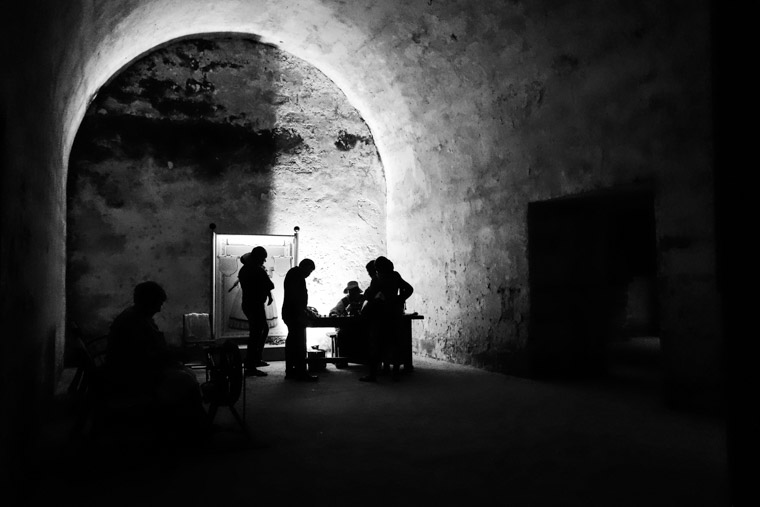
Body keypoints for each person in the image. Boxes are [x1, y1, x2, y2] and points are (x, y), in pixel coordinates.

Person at [105, 281, 208, 436]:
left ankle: (192, 423)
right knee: (186, 381)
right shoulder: (135, 322)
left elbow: (152, 350)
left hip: (130, 369)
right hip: (132, 376)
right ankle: (192, 427)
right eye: (158, 303)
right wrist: (179, 355)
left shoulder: (136, 317)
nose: (159, 309)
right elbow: (147, 355)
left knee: (187, 375)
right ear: (148, 302)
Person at [360, 256, 414, 382]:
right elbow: (409, 289)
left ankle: (372, 375)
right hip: (395, 314)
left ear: (378, 268)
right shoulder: (395, 276)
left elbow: (369, 294)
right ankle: (395, 374)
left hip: (380, 316)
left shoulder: (378, 279)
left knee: (376, 344)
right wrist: (399, 299)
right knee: (394, 343)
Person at [238, 246, 274, 377]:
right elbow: (270, 285)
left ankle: (255, 359)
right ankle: (250, 365)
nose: (264, 262)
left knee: (261, 330)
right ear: (258, 258)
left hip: (249, 304)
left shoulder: (245, 269)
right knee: (256, 334)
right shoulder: (257, 270)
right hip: (255, 305)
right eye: (263, 259)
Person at [282, 258, 318, 381]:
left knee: (293, 343)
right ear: (305, 267)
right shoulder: (296, 276)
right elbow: (296, 299)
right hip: (294, 315)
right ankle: (300, 372)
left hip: (291, 313)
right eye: (310, 270)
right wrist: (303, 312)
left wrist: (305, 310)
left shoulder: (294, 274)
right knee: (299, 345)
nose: (309, 274)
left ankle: (292, 371)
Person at [329, 281, 367, 362]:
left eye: (354, 291)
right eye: (351, 291)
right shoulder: (345, 300)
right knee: (342, 334)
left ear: (357, 291)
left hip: (361, 326)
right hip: (347, 326)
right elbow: (334, 310)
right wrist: (334, 314)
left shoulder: (364, 299)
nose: (352, 293)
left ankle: (363, 358)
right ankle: (343, 359)